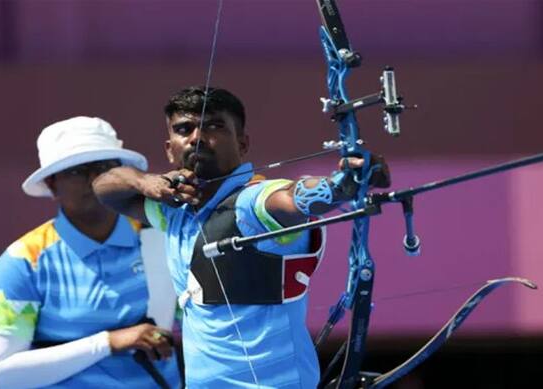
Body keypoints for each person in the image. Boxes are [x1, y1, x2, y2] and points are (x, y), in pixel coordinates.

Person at [92, 86, 390, 388]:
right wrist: (146, 182)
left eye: (214, 126)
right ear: (169, 149)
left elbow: (292, 198)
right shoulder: (173, 210)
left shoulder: (253, 202)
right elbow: (104, 188)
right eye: (185, 129)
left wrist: (343, 185)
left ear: (243, 143)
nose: (196, 137)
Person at [0, 117, 181, 389]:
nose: (94, 180)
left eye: (105, 168)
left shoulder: (163, 239)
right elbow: (0, 375)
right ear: (52, 184)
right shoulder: (23, 260)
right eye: (76, 171)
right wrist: (108, 342)